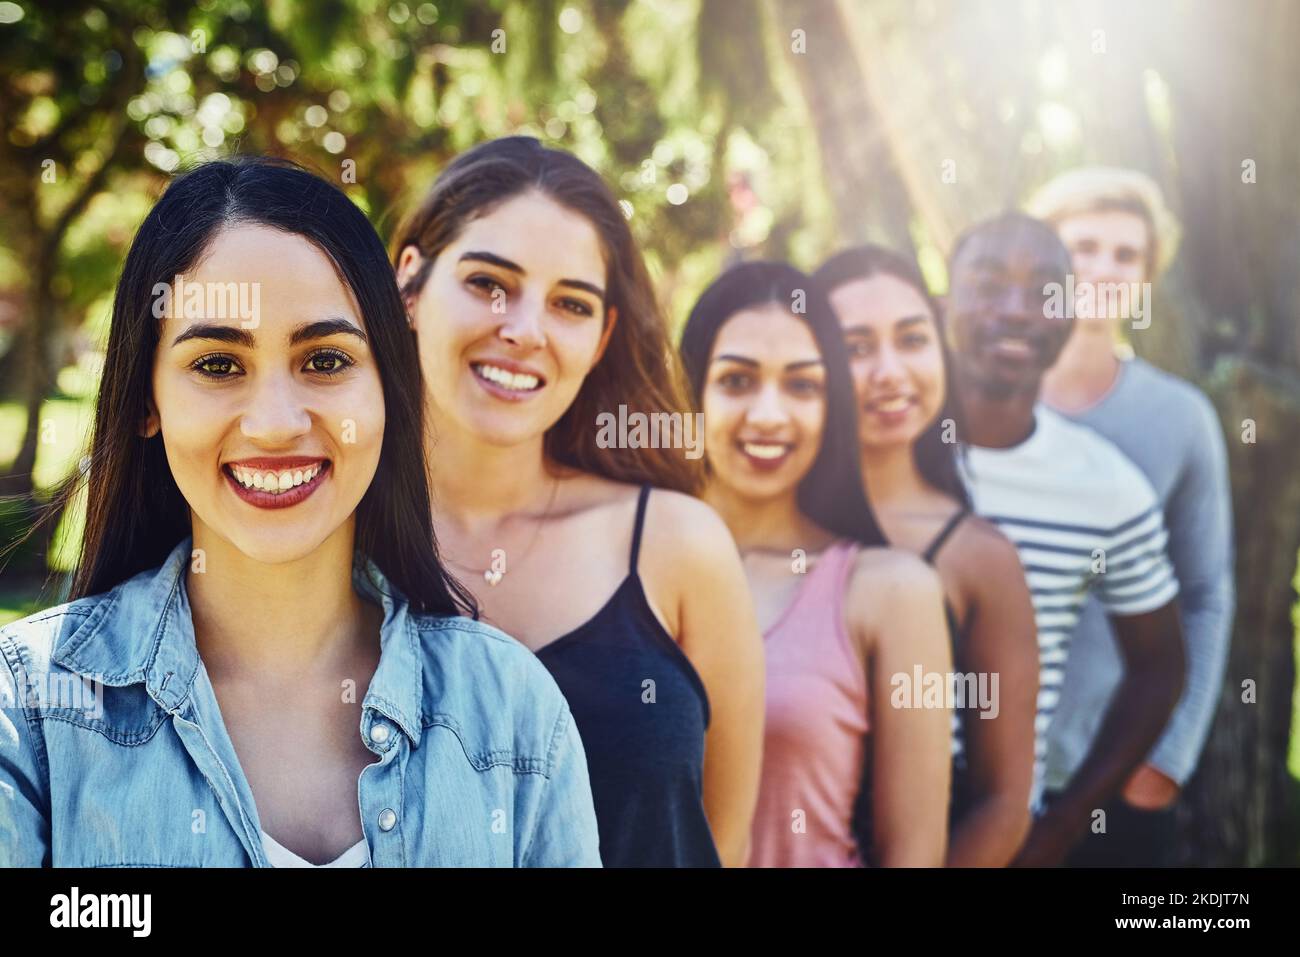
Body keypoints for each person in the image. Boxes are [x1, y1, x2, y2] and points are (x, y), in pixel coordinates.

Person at [0, 156, 601, 868]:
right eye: (218, 364)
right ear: (146, 402)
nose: (276, 422)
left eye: (325, 360)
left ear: (388, 392)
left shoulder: (514, 714)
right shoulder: (28, 711)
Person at [392, 137, 765, 867]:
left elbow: (721, 840)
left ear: (602, 339)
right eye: (489, 283)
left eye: (570, 303)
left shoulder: (678, 544)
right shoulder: (328, 538)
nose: (525, 330)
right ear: (411, 286)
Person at [680, 261, 952, 867]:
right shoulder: (625, 559)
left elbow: (914, 855)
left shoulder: (891, 591)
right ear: (692, 389)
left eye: (802, 386)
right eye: (737, 380)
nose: (770, 415)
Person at [944, 211, 1186, 866]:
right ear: (946, 297)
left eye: (1046, 289)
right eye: (989, 284)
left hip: (1001, 826)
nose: (1018, 310)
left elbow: (1160, 664)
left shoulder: (1106, 485)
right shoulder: (882, 455)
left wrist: (1063, 823)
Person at [1026, 168, 1234, 866]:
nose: (1102, 268)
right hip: (976, 772)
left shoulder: (1180, 420)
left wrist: (1169, 754)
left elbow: (1207, 591)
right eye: (1082, 246)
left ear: (1146, 277)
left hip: (1114, 777)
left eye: (1125, 255)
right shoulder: (978, 406)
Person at [814, 245, 1038, 867]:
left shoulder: (979, 558)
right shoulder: (756, 521)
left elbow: (1003, 802)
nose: (889, 371)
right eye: (856, 348)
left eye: (912, 340)